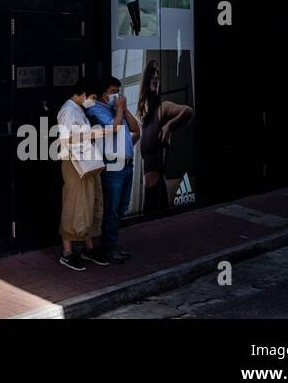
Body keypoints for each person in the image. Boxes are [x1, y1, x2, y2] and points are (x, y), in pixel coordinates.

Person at [85, 76, 141, 262]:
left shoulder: (117, 109)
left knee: (122, 207)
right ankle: (107, 248)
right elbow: (112, 128)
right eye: (112, 92)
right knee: (112, 209)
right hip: (112, 165)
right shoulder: (96, 109)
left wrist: (123, 109)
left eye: (117, 91)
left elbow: (135, 128)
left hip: (126, 164)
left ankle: (113, 244)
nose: (115, 95)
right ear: (102, 93)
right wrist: (119, 110)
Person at [56, 87, 112, 271]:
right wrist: (94, 134)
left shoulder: (78, 109)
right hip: (74, 162)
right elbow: (66, 139)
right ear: (82, 93)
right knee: (74, 203)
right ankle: (67, 252)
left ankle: (88, 247)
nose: (93, 101)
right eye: (93, 97)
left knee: (89, 202)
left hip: (85, 160)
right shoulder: (67, 110)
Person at [136, 60, 195, 211]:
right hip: (147, 192)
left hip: (158, 190)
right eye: (152, 77)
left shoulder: (164, 108)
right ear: (146, 80)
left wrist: (169, 126)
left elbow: (188, 111)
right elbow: (136, 141)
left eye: (158, 78)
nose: (156, 80)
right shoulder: (143, 117)